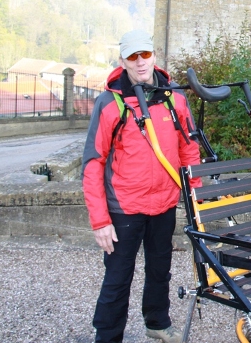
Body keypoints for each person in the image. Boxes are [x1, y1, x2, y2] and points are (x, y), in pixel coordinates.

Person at [81, 29, 202, 343]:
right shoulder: (111, 103)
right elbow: (93, 162)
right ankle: (107, 337)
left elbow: (188, 148)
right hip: (124, 208)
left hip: (164, 204)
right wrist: (100, 220)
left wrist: (195, 192)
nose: (140, 62)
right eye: (132, 56)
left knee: (160, 270)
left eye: (144, 54)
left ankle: (157, 324)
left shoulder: (175, 97)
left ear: (154, 55)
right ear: (122, 61)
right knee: (118, 278)